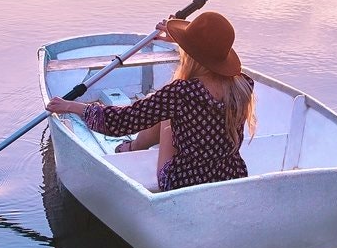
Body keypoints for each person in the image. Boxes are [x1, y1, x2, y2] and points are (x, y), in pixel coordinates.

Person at [46, 12, 256, 191]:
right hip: (231, 180)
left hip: (182, 183)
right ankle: (135, 146)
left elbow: (120, 122)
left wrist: (72, 106)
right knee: (167, 110)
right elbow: (209, 58)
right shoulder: (243, 87)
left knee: (166, 116)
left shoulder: (181, 93)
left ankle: (134, 146)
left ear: (192, 54)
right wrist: (180, 41)